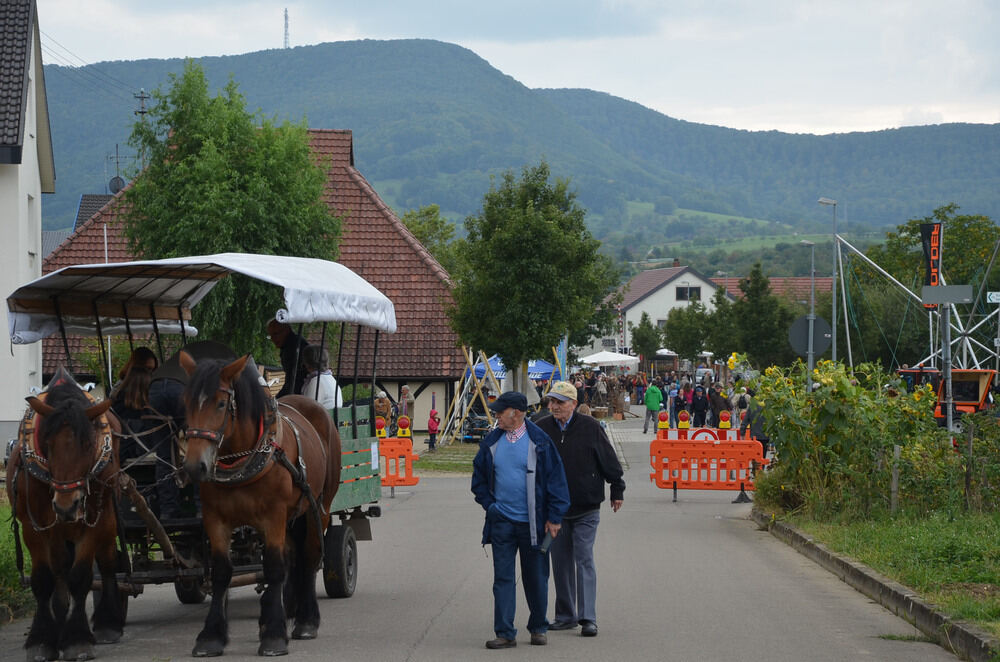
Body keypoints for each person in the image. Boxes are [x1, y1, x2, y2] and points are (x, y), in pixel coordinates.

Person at [471, 391, 570, 650]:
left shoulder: (540, 442)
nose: (496, 415)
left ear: (515, 413)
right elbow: (478, 479)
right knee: (502, 578)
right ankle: (505, 633)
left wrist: (555, 518)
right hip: (502, 521)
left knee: (536, 577)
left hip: (534, 525)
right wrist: (491, 507)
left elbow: (557, 482)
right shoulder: (492, 441)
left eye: (499, 412)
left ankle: (538, 627)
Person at [535, 381, 624, 638]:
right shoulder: (541, 429)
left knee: (583, 558)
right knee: (560, 563)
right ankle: (565, 616)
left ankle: (588, 618)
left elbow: (608, 460)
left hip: (586, 507)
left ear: (573, 404)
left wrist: (617, 488)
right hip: (556, 511)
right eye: (551, 401)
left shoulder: (591, 427)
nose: (553, 407)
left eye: (559, 402)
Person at [111, 347, 158, 460]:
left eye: (153, 370)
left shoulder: (151, 391)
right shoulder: (119, 391)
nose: (150, 374)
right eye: (147, 369)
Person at [267, 319, 309, 397]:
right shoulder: (288, 345)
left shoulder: (293, 347)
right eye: (270, 336)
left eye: (275, 334)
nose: (272, 339)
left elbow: (294, 380)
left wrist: (279, 399)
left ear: (286, 330)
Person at [300, 344, 343, 409]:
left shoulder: (316, 381)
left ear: (307, 363)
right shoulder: (330, 378)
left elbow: (308, 409)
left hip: (321, 418)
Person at [739, 389, 770, 458]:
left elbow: (745, 421)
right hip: (765, 435)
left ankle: (755, 467)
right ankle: (761, 467)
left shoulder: (752, 407)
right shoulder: (769, 407)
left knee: (755, 455)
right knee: (763, 455)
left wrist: (742, 433)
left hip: (755, 436)